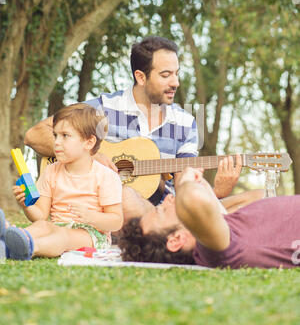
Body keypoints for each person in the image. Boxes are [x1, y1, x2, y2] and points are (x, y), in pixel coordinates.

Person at [24, 36, 241, 201]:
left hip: (159, 216)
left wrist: (216, 193)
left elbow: (183, 187)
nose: (175, 82)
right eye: (166, 75)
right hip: (100, 206)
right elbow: (34, 135)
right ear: (141, 77)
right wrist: (89, 155)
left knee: (249, 199)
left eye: (177, 73)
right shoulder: (104, 108)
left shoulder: (186, 124)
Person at [1, 103, 123, 260]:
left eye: (65, 135)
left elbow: (116, 221)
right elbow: (40, 216)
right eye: (55, 135)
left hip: (92, 234)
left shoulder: (106, 176)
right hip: (57, 226)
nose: (57, 142)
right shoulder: (51, 171)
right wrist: (26, 205)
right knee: (42, 226)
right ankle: (7, 240)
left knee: (63, 236)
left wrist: (91, 216)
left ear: (89, 142)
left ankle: (30, 246)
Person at [118, 167, 300, 269]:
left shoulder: (223, 234)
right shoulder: (214, 249)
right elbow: (194, 199)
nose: (167, 199)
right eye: (162, 211)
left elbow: (204, 195)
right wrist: (184, 181)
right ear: (176, 240)